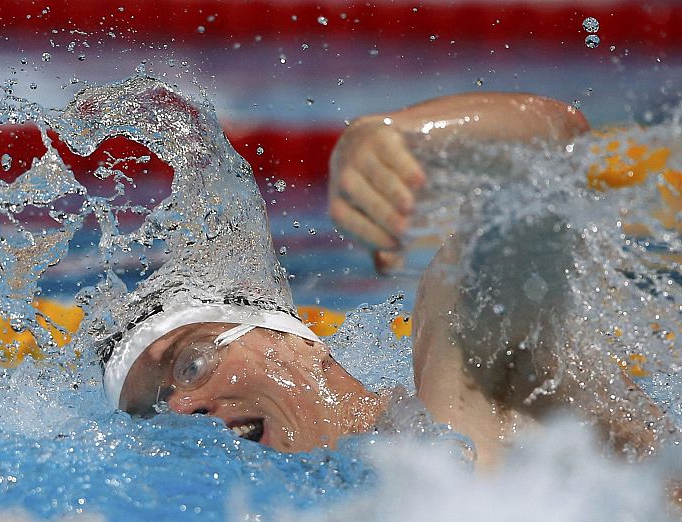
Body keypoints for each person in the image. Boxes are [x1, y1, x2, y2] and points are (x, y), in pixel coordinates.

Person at [102, 92, 664, 469]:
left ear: (293, 342)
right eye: (155, 410)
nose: (179, 410)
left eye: (189, 364)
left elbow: (549, 158)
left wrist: (388, 137)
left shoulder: (461, 385)